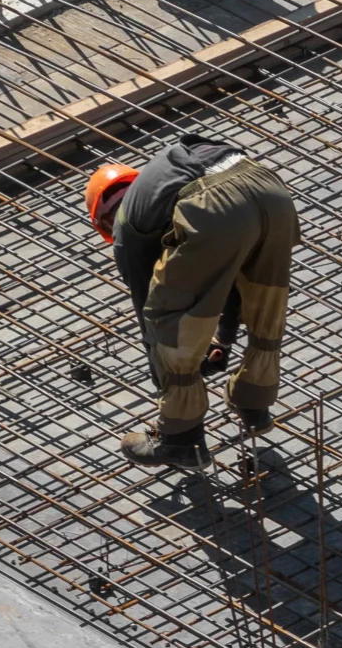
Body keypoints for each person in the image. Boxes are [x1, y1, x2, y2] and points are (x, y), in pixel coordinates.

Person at [85, 137, 295, 467]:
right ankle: (254, 403)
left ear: (104, 222)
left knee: (166, 322)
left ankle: (181, 440)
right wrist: (223, 340)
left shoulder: (129, 230)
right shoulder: (162, 186)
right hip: (268, 186)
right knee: (265, 296)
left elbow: (152, 321)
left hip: (213, 204)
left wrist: (173, 375)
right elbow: (231, 273)